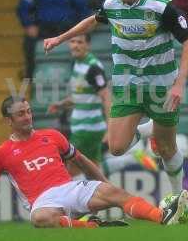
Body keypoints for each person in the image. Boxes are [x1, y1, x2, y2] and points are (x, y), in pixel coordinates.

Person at [44, 0, 188, 198]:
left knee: (167, 149)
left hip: (161, 86)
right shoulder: (112, 5)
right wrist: (59, 38)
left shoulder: (160, 6)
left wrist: (179, 84)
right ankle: (149, 130)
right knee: (116, 148)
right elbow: (91, 21)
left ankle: (179, 198)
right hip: (128, 85)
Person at [0, 96, 188, 230]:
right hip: (42, 201)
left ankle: (163, 216)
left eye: (29, 111)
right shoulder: (1, 154)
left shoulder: (51, 135)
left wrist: (105, 184)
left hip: (70, 188)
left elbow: (82, 161)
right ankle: (89, 226)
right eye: (20, 114)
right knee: (38, 218)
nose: (27, 116)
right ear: (8, 120)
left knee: (117, 194)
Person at [47, 34, 158, 177]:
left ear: (88, 45)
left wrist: (110, 127)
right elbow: (83, 95)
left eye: (80, 42)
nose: (75, 45)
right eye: (72, 42)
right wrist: (61, 104)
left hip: (87, 127)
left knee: (73, 170)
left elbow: (106, 97)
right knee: (94, 169)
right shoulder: (78, 64)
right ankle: (132, 159)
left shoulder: (92, 67)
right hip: (82, 126)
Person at [16, 0, 91, 79]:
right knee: (28, 42)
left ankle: (78, 72)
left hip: (66, 27)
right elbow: (22, 9)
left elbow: (83, 6)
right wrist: (28, 25)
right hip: (43, 27)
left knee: (79, 40)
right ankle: (30, 74)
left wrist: (83, 25)